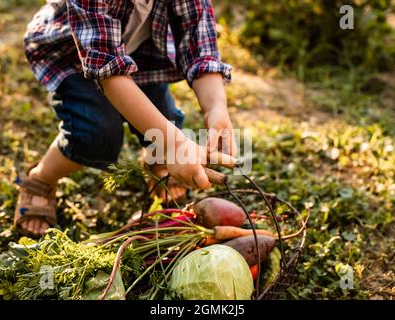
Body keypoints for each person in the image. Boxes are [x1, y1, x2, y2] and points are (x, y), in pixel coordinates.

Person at [14, 0, 236, 238]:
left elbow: (199, 41)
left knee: (165, 120)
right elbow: (109, 68)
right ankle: (40, 179)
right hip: (75, 54)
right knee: (94, 134)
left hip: (140, 53)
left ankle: (158, 162)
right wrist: (176, 144)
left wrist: (215, 106)